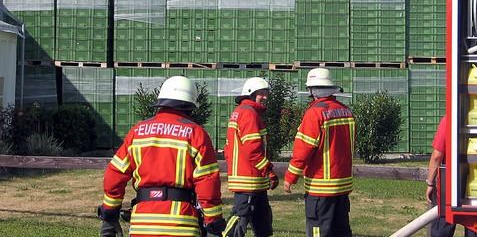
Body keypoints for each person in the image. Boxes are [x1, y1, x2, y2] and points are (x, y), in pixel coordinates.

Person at [98, 76, 226, 237]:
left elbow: (115, 174)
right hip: (181, 224)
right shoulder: (196, 134)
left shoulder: (137, 132)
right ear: (191, 105)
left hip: (142, 224)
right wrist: (213, 223)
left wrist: (109, 216)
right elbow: (208, 183)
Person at [283, 68, 356, 237]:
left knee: (318, 230)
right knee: (341, 231)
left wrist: (290, 178)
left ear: (312, 90)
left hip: (320, 187)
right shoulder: (346, 112)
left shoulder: (315, 113)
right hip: (342, 186)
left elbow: (303, 151)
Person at [222, 77, 278, 237]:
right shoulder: (249, 114)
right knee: (240, 218)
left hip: (253, 179)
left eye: (267, 93)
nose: (266, 97)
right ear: (251, 94)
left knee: (262, 223)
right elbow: (253, 149)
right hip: (249, 180)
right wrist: (269, 170)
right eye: (262, 93)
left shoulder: (242, 112)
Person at [426, 115, 477, 237]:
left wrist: (430, 183)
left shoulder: (449, 119)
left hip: (449, 185)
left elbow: (437, 156)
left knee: (441, 229)